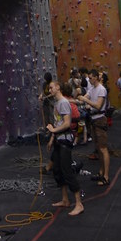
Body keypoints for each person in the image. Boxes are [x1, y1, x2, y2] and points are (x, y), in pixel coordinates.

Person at [46, 81, 84, 216]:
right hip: (58, 140)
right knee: (57, 169)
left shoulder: (63, 103)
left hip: (65, 141)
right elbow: (58, 122)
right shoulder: (57, 104)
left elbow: (67, 124)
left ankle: (79, 204)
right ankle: (65, 199)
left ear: (58, 87)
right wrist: (52, 138)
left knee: (67, 171)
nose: (49, 90)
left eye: (51, 87)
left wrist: (53, 130)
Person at [79, 68, 110, 186]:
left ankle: (106, 176)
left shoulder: (101, 89)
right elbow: (83, 99)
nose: (89, 80)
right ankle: (101, 172)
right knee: (98, 148)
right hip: (93, 119)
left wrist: (85, 100)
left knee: (103, 148)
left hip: (100, 119)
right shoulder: (92, 88)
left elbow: (97, 105)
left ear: (96, 77)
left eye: (91, 78)